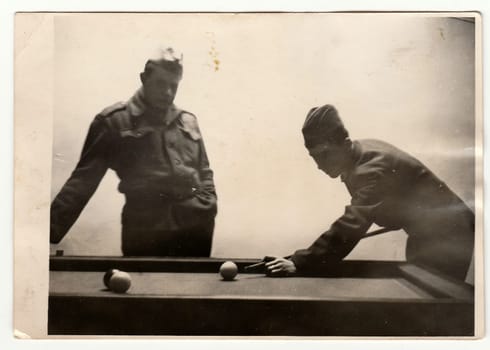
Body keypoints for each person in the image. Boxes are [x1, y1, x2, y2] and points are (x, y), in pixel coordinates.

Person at [265, 104, 474, 281]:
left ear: (345, 144)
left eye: (325, 155)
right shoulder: (361, 153)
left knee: (433, 309)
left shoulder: (371, 169)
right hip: (427, 234)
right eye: (314, 157)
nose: (319, 165)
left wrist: (301, 263)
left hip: (450, 235)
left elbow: (352, 224)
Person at [50, 47, 217, 256]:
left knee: (192, 287)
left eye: (173, 86)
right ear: (144, 78)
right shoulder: (114, 121)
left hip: (196, 227)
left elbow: (204, 171)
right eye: (161, 83)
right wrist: (43, 234)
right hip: (146, 229)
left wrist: (208, 205)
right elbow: (82, 182)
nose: (167, 93)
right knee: (144, 287)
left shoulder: (188, 120)